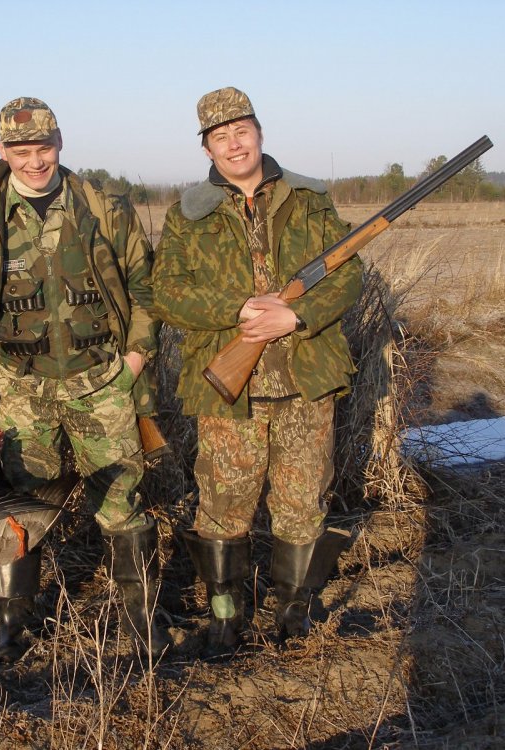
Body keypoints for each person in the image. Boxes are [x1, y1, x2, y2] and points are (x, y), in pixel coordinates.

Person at [0, 97, 169, 663]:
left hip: (101, 382)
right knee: (17, 505)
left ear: (60, 142)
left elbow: (146, 288)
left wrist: (134, 360)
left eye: (43, 148)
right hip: (19, 390)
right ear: (2, 151)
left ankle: (142, 623)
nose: (34, 161)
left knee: (121, 500)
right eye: (21, 151)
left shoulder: (103, 207)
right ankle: (11, 630)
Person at [152, 87, 363, 656]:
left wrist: (297, 315)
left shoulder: (310, 199)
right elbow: (165, 293)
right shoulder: (187, 213)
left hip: (305, 381)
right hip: (229, 391)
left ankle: (293, 616)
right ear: (207, 149)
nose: (234, 144)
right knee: (223, 507)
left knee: (302, 503)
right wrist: (238, 309)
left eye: (241, 131)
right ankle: (225, 620)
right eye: (220, 137)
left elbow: (348, 274)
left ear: (259, 133)